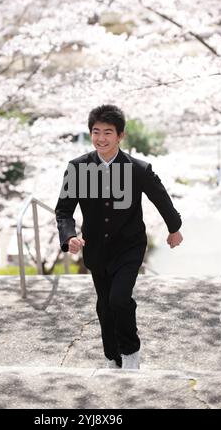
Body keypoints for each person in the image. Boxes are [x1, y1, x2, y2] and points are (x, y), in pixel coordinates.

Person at [55, 105, 183, 369]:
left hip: (129, 247)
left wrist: (174, 228)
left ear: (120, 135)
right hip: (97, 249)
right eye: (96, 132)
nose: (101, 138)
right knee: (104, 306)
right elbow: (64, 211)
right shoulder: (77, 169)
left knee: (119, 299)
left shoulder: (139, 169)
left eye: (108, 133)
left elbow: (161, 199)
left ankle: (131, 351)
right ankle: (111, 357)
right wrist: (69, 237)